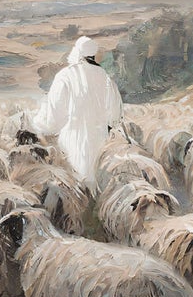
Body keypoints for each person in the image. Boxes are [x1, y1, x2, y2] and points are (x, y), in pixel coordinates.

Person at [26, 35, 123, 189]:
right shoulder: (105, 77)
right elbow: (115, 115)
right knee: (100, 186)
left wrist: (36, 124)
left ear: (76, 52)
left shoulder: (65, 76)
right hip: (100, 143)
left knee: (75, 188)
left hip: (72, 144)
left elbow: (53, 118)